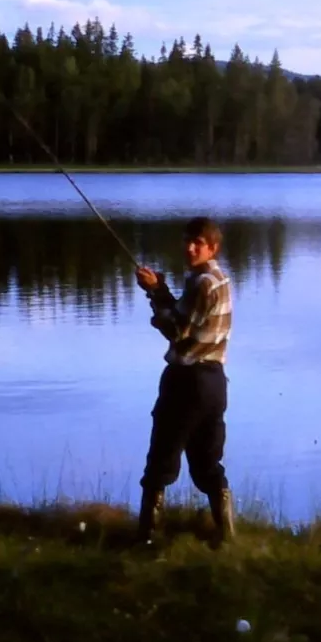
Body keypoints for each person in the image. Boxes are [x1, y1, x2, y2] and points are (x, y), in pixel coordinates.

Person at [133, 216, 235, 543]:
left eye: (199, 243)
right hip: (216, 384)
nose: (190, 248)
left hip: (187, 381)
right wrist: (161, 291)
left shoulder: (202, 282)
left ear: (213, 248)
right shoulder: (220, 279)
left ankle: (147, 539)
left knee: (161, 462)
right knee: (208, 463)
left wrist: (154, 293)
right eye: (187, 241)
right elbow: (186, 319)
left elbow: (176, 329)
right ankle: (225, 537)